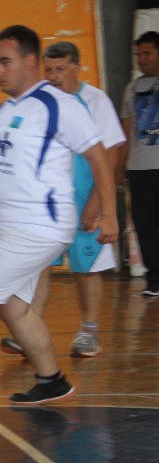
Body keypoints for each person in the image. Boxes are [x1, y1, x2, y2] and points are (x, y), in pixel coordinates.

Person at [0, 25, 118, 413]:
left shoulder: (60, 105)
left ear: (30, 61)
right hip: (6, 228)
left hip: (39, 227)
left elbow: (100, 156)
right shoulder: (3, 113)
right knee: (12, 306)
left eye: (5, 61)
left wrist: (109, 215)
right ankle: (51, 380)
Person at [0, 41, 126, 359]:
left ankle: (89, 332)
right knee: (39, 266)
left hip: (84, 199)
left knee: (86, 269)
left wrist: (96, 205)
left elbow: (110, 155)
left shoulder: (94, 101)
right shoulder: (39, 102)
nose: (53, 76)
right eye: (49, 70)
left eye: (60, 69)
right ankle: (31, 329)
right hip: (46, 205)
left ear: (76, 68)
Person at [120, 31, 159, 297]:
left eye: (147, 53)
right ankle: (154, 281)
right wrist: (117, 168)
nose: (141, 59)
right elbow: (124, 133)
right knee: (144, 226)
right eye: (138, 54)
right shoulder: (131, 90)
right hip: (140, 171)